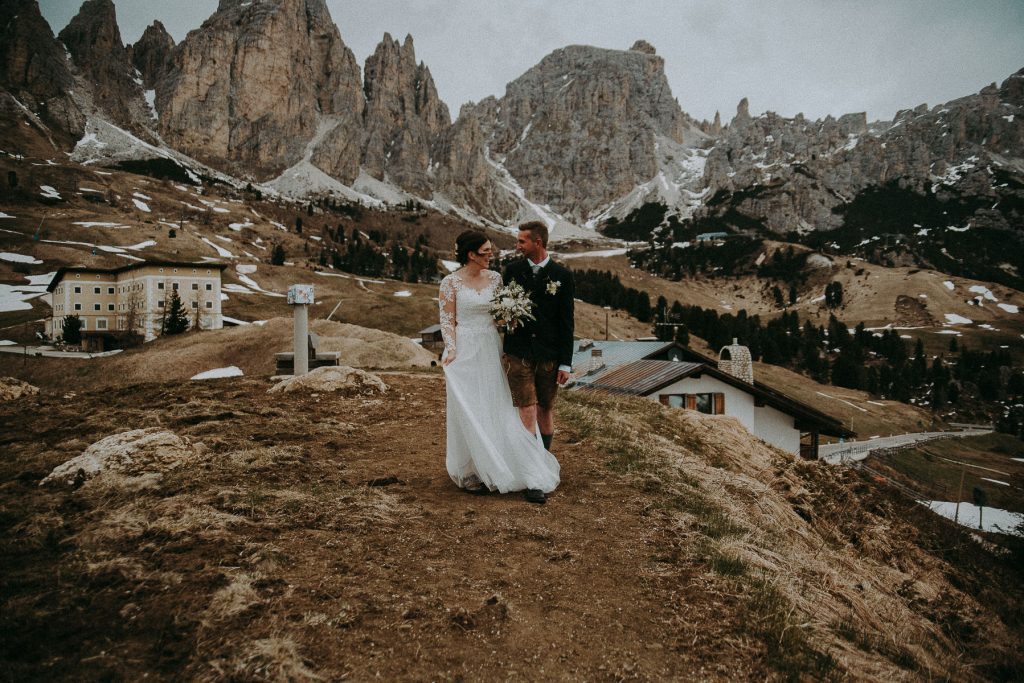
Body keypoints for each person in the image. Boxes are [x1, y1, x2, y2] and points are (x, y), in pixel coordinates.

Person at [438, 230, 560, 503]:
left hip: (491, 346)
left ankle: (504, 462)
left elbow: (498, 317)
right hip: (466, 348)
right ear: (471, 254)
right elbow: (447, 320)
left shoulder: (495, 278)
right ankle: (473, 469)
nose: (490, 256)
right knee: (471, 407)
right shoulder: (450, 282)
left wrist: (508, 319)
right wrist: (452, 349)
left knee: (497, 404)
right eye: (485, 252)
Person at [501, 221, 575, 504]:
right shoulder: (512, 271)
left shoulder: (562, 276)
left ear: (538, 243)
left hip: (549, 356)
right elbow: (503, 308)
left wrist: (565, 363)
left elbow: (567, 322)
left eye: (522, 241)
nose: (517, 245)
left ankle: (543, 462)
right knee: (527, 409)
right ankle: (531, 476)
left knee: (545, 409)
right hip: (518, 353)